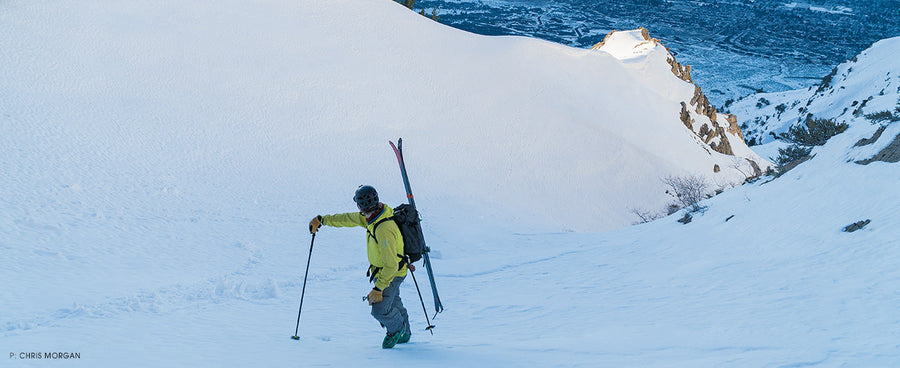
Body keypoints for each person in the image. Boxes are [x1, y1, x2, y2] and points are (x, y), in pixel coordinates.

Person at [308, 185, 412, 349]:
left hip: (392, 273)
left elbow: (391, 266)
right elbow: (348, 219)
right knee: (393, 302)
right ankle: (405, 333)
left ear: (360, 205)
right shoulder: (373, 217)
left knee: (379, 310)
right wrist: (323, 220)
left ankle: (398, 330)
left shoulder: (384, 228)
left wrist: (378, 288)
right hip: (387, 271)